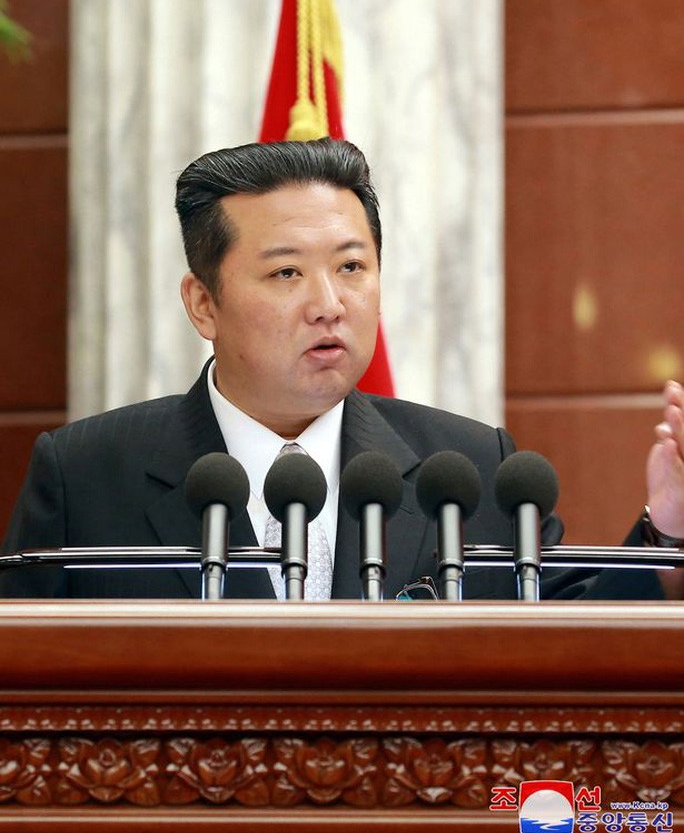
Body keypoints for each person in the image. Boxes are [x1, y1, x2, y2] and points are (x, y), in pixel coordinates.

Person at [1, 138, 683, 600]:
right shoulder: (86, 476)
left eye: (352, 267)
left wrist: (671, 525)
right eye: (286, 273)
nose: (328, 303)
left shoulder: (466, 470)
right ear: (203, 303)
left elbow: (577, 648)